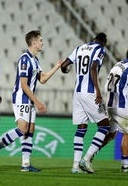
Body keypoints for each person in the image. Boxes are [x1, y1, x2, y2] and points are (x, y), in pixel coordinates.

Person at [0, 30, 62, 172]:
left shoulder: (35, 60)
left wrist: (57, 66)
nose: (42, 43)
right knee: (23, 129)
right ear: (33, 42)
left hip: (29, 100)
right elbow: (23, 84)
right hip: (22, 98)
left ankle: (26, 165)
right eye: (40, 40)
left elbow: (43, 79)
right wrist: (37, 101)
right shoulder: (25, 59)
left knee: (30, 130)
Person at [61, 32, 110, 174]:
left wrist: (67, 70)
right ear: (103, 43)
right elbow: (93, 68)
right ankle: (86, 158)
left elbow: (64, 66)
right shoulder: (100, 49)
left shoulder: (79, 48)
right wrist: (98, 91)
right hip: (89, 92)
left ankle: (75, 167)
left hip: (76, 93)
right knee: (104, 125)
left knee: (81, 127)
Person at [104, 49, 128, 173]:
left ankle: (89, 155)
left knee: (111, 133)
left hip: (110, 104)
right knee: (127, 134)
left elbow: (106, 84)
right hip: (123, 106)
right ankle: (125, 166)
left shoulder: (117, 65)